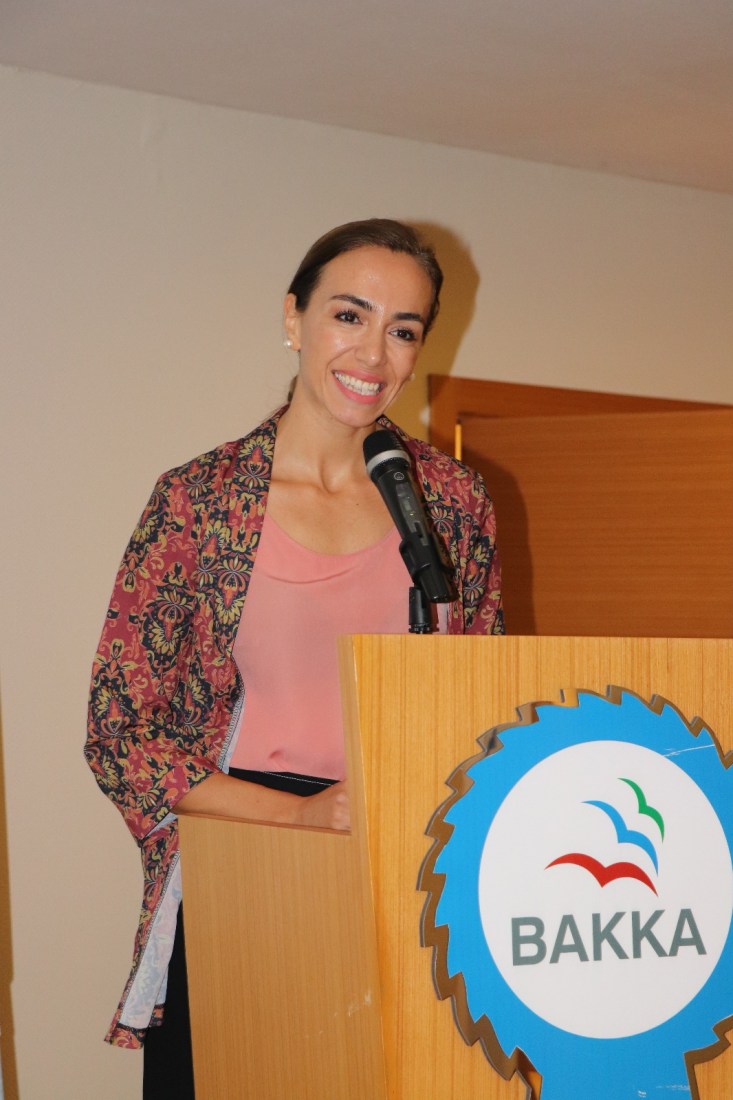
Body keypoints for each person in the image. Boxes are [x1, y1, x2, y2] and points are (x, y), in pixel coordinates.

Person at [85, 218, 504, 1096]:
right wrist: (302, 818)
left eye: (402, 329)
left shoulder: (451, 501)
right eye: (349, 316)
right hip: (242, 851)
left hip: (406, 858)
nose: (374, 354)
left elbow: (487, 697)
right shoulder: (199, 502)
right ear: (293, 318)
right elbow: (120, 736)